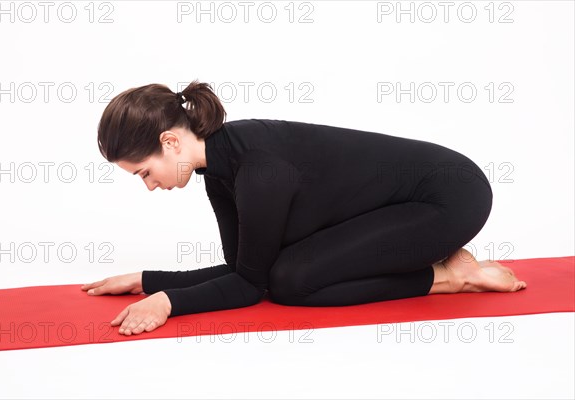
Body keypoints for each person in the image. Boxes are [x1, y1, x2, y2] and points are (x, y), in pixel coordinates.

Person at [82, 80, 527, 336]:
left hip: (449, 199)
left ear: (170, 141)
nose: (149, 186)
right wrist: (146, 280)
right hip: (401, 204)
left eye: (143, 172)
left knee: (294, 283)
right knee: (285, 273)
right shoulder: (217, 171)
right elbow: (244, 269)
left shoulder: (258, 168)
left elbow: (252, 286)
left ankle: (450, 275)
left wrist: (168, 303)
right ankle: (441, 265)